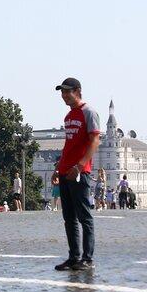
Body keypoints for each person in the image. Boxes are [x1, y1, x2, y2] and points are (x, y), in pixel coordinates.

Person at [53, 77, 101, 272]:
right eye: (62, 92)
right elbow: (69, 145)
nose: (64, 96)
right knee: (69, 217)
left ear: (78, 91)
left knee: (84, 216)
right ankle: (74, 257)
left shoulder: (89, 113)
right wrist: (58, 167)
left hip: (79, 173)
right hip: (65, 172)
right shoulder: (69, 116)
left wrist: (80, 166)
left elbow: (94, 142)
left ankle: (87, 258)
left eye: (67, 91)